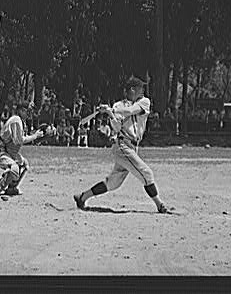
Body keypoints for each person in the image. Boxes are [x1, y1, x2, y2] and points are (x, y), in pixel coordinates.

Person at [73, 76, 172, 214]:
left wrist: (111, 111)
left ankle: (82, 197)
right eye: (140, 87)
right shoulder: (118, 106)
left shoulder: (144, 102)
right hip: (122, 146)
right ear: (132, 89)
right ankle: (160, 205)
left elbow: (131, 111)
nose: (143, 90)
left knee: (113, 184)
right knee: (146, 173)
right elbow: (117, 127)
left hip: (133, 147)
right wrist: (110, 113)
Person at [0, 101, 45, 201]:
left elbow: (21, 138)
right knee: (13, 168)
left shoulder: (21, 121)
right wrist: (35, 136)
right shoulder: (16, 120)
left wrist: (34, 137)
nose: (29, 113)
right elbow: (18, 140)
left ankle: (11, 188)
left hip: (7, 150)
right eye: (28, 111)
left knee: (24, 164)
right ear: (21, 110)